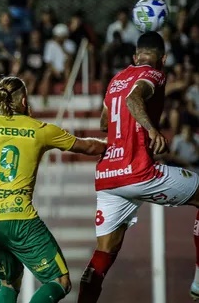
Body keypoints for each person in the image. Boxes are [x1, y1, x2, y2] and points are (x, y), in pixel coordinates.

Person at [0, 76, 107, 303]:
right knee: (59, 281)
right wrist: (113, 144)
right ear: (24, 100)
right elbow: (89, 146)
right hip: (19, 219)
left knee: (9, 283)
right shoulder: (38, 129)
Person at [77, 32, 199, 302]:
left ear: (135, 57)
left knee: (104, 253)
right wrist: (152, 130)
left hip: (109, 176)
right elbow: (134, 99)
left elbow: (104, 124)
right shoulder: (154, 73)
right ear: (163, 58)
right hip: (138, 170)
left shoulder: (115, 80)